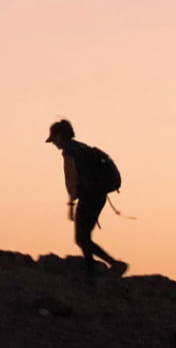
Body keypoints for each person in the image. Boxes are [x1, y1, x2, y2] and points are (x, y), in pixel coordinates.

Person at [46, 119, 128, 281]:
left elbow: (71, 178)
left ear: (60, 136)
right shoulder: (82, 148)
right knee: (84, 237)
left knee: (82, 238)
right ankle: (106, 268)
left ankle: (95, 273)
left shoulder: (69, 151)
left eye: (54, 138)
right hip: (98, 196)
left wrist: (71, 202)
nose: (53, 143)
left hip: (89, 197)